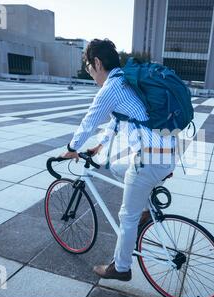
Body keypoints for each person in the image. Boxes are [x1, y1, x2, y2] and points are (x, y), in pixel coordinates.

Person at [60, 39, 176, 281]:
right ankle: (146, 210)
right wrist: (99, 146)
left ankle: (121, 268)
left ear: (97, 63)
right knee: (115, 166)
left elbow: (89, 121)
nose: (90, 74)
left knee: (126, 217)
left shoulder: (110, 88)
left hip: (150, 160)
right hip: (165, 154)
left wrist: (72, 148)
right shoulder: (126, 79)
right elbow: (116, 120)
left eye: (89, 68)